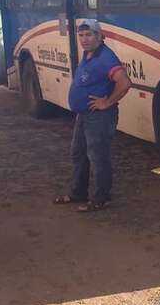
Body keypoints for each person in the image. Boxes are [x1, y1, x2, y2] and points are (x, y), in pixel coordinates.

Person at [54, 19, 131, 212]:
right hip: (84, 115)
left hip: (99, 117)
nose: (84, 40)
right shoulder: (89, 54)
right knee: (79, 154)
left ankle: (101, 198)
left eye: (89, 35)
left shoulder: (106, 58)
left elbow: (124, 82)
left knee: (98, 157)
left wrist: (107, 102)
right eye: (81, 36)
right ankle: (78, 192)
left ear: (99, 36)